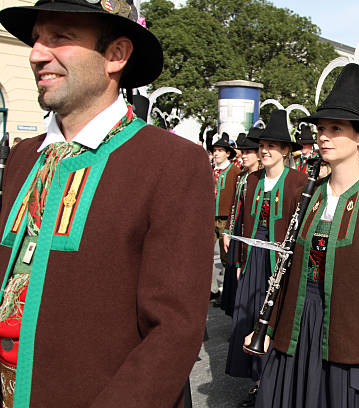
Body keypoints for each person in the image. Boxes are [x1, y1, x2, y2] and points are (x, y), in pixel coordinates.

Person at [0, 1, 213, 406]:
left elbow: (174, 331)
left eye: (60, 37)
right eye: (36, 39)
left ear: (116, 55)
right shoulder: (24, 156)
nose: (37, 53)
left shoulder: (172, 163)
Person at [247, 63, 359, 408]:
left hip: (349, 338)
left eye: (336, 128)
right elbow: (287, 273)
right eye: (321, 128)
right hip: (296, 331)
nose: (323, 136)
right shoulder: (306, 195)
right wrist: (269, 327)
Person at [226, 109, 307, 407]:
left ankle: (273, 383)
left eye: (272, 145)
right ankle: (256, 382)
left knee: (273, 320)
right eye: (262, 145)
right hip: (253, 261)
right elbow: (243, 225)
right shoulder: (251, 180)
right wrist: (239, 262)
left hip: (280, 266)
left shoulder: (299, 182)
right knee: (249, 317)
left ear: (286, 150)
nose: (265, 150)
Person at [220, 129, 262, 316]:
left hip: (251, 233)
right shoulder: (241, 177)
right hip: (237, 230)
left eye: (247, 152)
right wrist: (228, 231)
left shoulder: (262, 179)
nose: (243, 155)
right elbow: (233, 205)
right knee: (232, 274)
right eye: (242, 152)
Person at [211, 133, 241, 304]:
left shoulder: (235, 171)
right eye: (215, 150)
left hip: (225, 218)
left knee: (225, 257)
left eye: (220, 150)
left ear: (228, 153)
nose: (216, 153)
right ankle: (212, 289)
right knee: (206, 256)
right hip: (209, 217)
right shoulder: (210, 170)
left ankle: (228, 294)